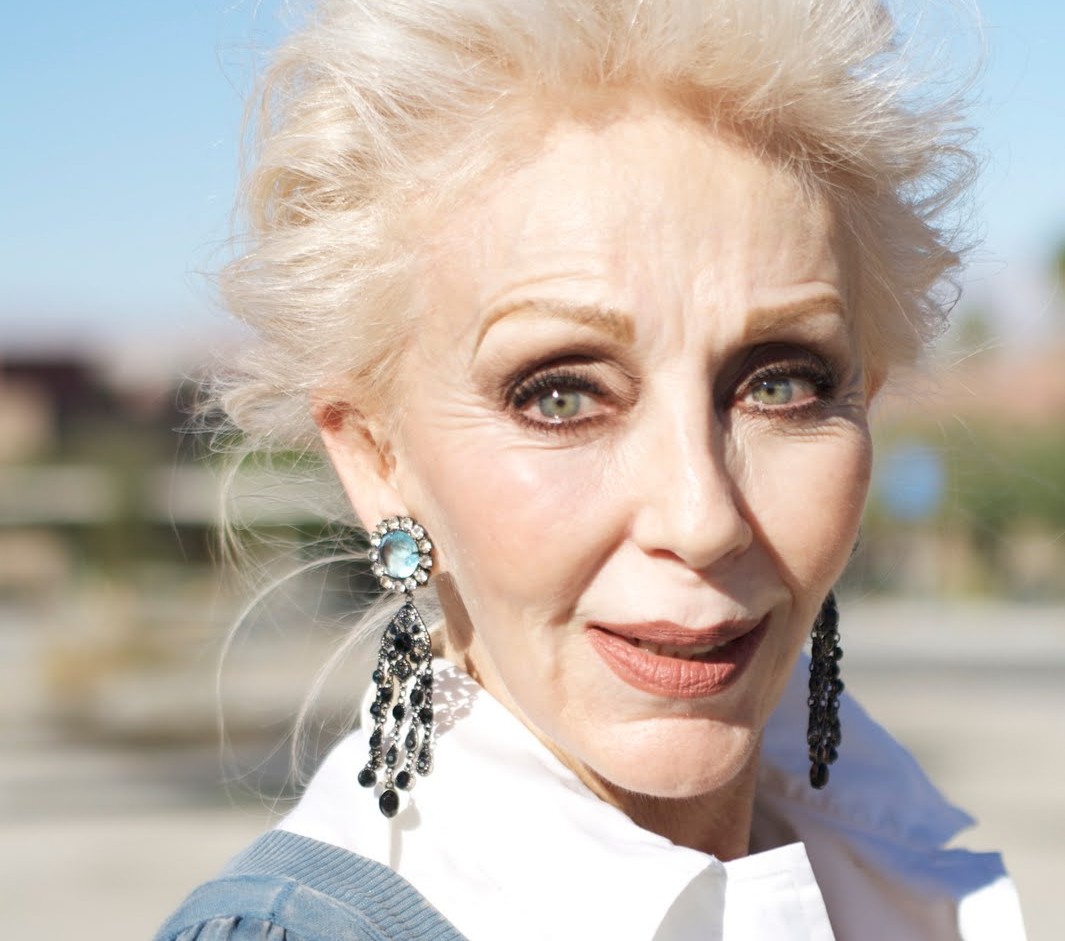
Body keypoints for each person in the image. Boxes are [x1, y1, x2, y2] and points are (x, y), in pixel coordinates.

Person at [156, 1, 1027, 938]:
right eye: (562, 396)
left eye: (779, 385)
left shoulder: (889, 875)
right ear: (375, 458)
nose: (701, 518)